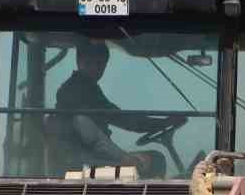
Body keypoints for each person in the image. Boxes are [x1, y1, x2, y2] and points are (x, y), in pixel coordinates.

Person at [55, 39, 185, 169]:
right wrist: (162, 123)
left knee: (153, 158)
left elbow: (117, 118)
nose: (95, 69)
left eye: (99, 64)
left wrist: (161, 123)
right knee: (156, 160)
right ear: (79, 62)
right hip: (89, 158)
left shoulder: (83, 87)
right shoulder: (77, 90)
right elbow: (123, 120)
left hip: (92, 154)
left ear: (105, 65)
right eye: (89, 63)